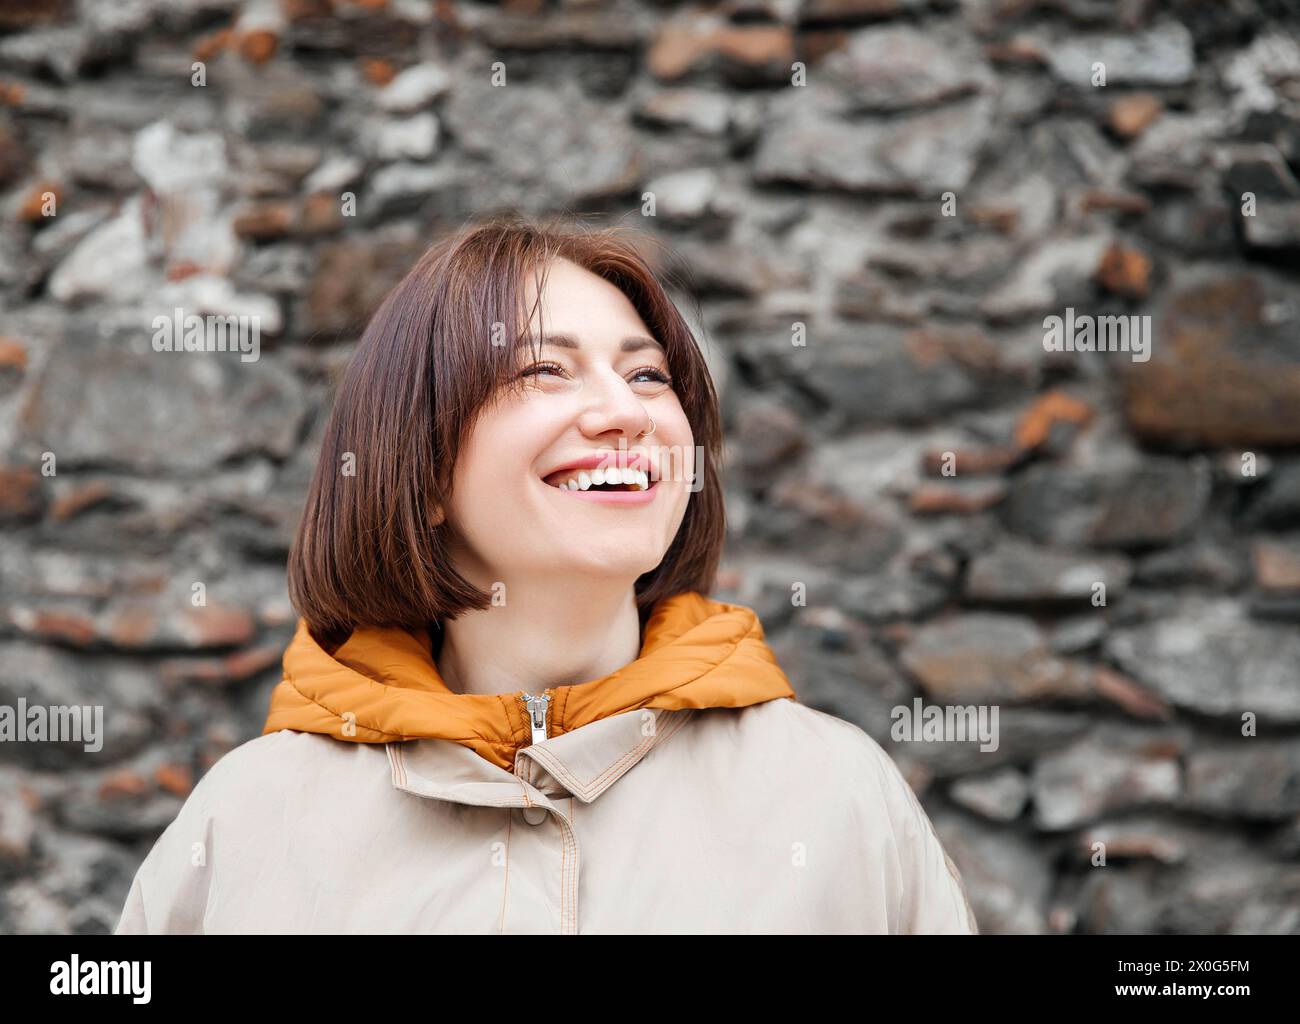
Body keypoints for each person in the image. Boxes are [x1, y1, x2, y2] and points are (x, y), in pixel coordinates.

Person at [114, 213, 978, 935]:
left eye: (648, 374)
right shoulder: (248, 824)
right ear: (420, 462)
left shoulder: (837, 799)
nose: (622, 413)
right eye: (544, 370)